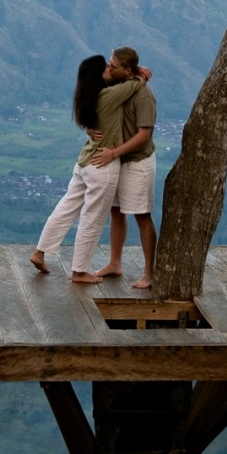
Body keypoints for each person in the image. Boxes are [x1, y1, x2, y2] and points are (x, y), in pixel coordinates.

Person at [29, 53, 150, 284]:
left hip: (84, 162)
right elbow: (138, 81)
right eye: (106, 67)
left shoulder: (86, 96)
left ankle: (39, 252)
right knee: (92, 218)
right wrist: (139, 69)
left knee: (66, 207)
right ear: (99, 75)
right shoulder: (110, 95)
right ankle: (79, 271)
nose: (109, 68)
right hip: (102, 165)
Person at [93, 46, 157, 289]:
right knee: (116, 211)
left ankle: (149, 273)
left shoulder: (144, 96)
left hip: (138, 161)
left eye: (114, 65)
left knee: (142, 215)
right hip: (118, 159)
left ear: (127, 70)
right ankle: (115, 263)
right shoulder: (116, 86)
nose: (109, 67)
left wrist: (113, 153)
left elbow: (144, 135)